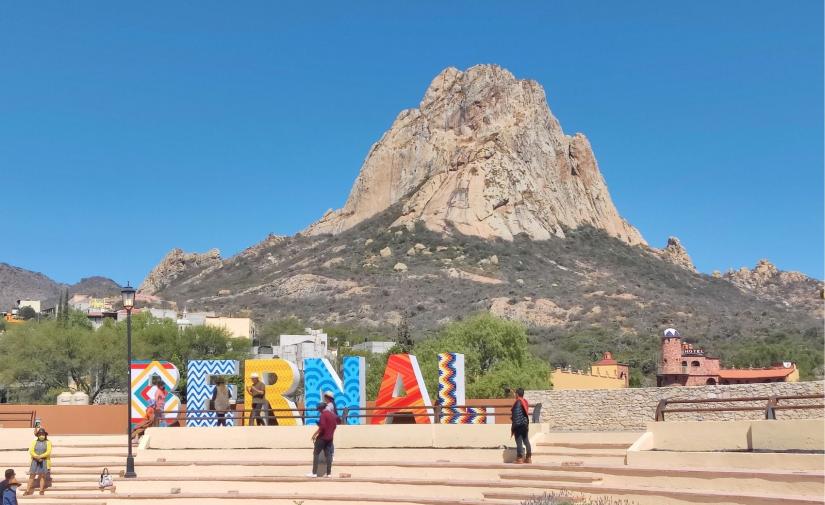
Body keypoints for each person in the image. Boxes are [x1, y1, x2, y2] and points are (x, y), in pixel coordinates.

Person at [307, 401, 337, 478]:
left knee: (316, 454)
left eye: (318, 409)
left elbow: (322, 427)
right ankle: (329, 473)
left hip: (322, 438)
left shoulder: (323, 415)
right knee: (328, 455)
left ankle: (314, 473)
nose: (318, 411)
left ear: (321, 408)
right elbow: (334, 426)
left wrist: (314, 434)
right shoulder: (332, 415)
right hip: (330, 438)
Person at [25, 428, 51, 495]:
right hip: (35, 460)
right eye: (40, 434)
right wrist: (36, 457)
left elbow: (48, 452)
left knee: (42, 476)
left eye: (43, 434)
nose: (41, 435)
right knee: (32, 475)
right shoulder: (34, 442)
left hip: (44, 460)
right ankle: (27, 490)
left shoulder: (48, 442)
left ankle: (41, 490)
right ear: (38, 435)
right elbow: (31, 451)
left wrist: (41, 456)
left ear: (45, 435)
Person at [510, 388, 531, 464]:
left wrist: (514, 426)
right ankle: (528, 458)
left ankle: (519, 458)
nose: (515, 395)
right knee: (526, 441)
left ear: (517, 394)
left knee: (519, 441)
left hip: (519, 425)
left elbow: (516, 415)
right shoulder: (525, 401)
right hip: (525, 425)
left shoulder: (518, 402)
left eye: (515, 394)